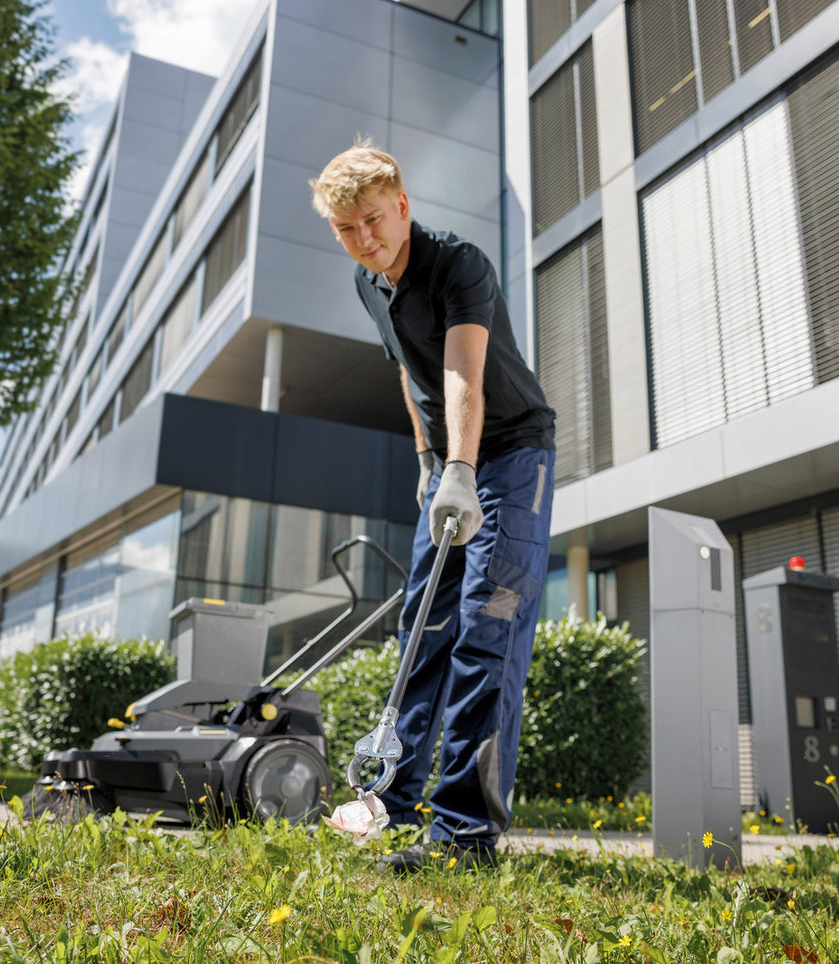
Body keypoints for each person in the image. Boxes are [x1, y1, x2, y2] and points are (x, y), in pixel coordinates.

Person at [310, 140, 556, 872]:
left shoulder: (458, 265)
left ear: (403, 206)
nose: (365, 240)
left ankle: (462, 838)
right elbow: (411, 378)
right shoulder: (369, 282)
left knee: (487, 625)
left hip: (510, 453)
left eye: (375, 221)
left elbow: (460, 379)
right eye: (347, 230)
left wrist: (458, 467)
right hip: (447, 461)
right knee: (424, 629)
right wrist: (425, 459)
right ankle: (390, 798)